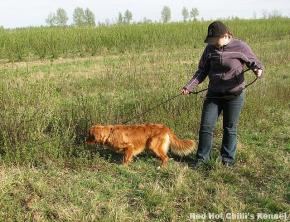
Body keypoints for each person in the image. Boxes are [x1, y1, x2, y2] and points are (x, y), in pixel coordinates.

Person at [181, 21, 264, 167]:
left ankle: (227, 160)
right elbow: (202, 71)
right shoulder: (209, 49)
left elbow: (254, 62)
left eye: (215, 39)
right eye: (211, 40)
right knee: (206, 127)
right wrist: (189, 87)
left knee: (229, 128)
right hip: (214, 95)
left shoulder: (240, 46)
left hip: (235, 95)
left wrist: (258, 69)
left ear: (226, 36)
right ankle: (202, 160)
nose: (212, 42)